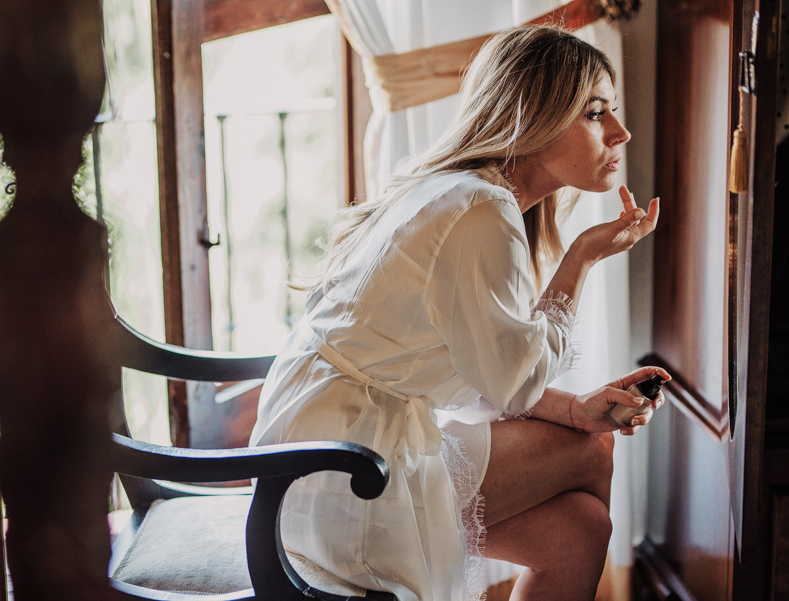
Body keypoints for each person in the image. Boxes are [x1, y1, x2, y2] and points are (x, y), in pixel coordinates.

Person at [250, 25, 670, 601]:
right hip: (344, 463)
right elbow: (514, 382)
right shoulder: (480, 210)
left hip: (330, 437)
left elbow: (483, 369)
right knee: (593, 453)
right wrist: (582, 256)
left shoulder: (463, 190)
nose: (620, 132)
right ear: (534, 118)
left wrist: (574, 408)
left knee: (579, 531)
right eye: (595, 114)